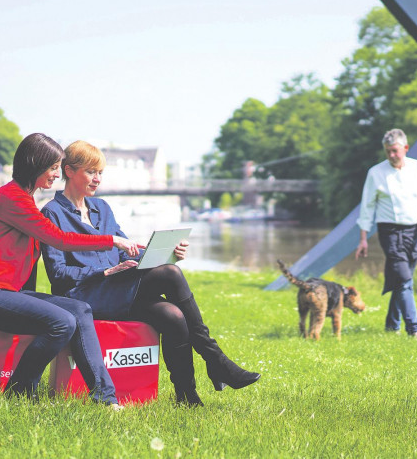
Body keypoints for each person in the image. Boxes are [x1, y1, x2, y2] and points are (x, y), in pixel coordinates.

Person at [40, 140, 260, 407]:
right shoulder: (52, 213)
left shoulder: (102, 209)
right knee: (169, 274)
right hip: (85, 295)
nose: (97, 179)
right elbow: (58, 275)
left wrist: (164, 254)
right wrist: (105, 270)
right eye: (91, 172)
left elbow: (126, 252)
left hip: (117, 289)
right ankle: (215, 359)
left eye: (100, 173)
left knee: (173, 315)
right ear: (70, 170)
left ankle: (186, 395)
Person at [0, 133, 142, 407]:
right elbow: (60, 239)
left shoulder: (26, 200)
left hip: (4, 291)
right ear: (35, 164)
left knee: (79, 309)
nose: (57, 175)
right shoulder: (12, 199)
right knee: (61, 322)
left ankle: (105, 398)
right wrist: (112, 240)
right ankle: (19, 391)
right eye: (53, 168)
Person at [355, 128, 417, 337]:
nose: (392, 155)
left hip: (413, 230)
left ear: (405, 148)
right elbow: (367, 206)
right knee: (403, 279)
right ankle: (414, 329)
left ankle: (392, 325)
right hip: (389, 231)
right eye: (388, 152)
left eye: (395, 151)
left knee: (402, 277)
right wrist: (363, 238)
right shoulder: (376, 173)